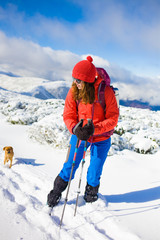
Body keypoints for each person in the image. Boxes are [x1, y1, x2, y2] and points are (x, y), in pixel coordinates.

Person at [47, 56, 119, 208]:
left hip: (102, 138)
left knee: (94, 171)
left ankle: (91, 199)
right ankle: (56, 192)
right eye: (74, 78)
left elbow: (113, 118)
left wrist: (95, 129)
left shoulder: (105, 92)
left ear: (87, 80)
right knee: (69, 167)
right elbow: (68, 114)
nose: (75, 82)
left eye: (78, 80)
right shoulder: (74, 91)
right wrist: (75, 129)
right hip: (79, 135)